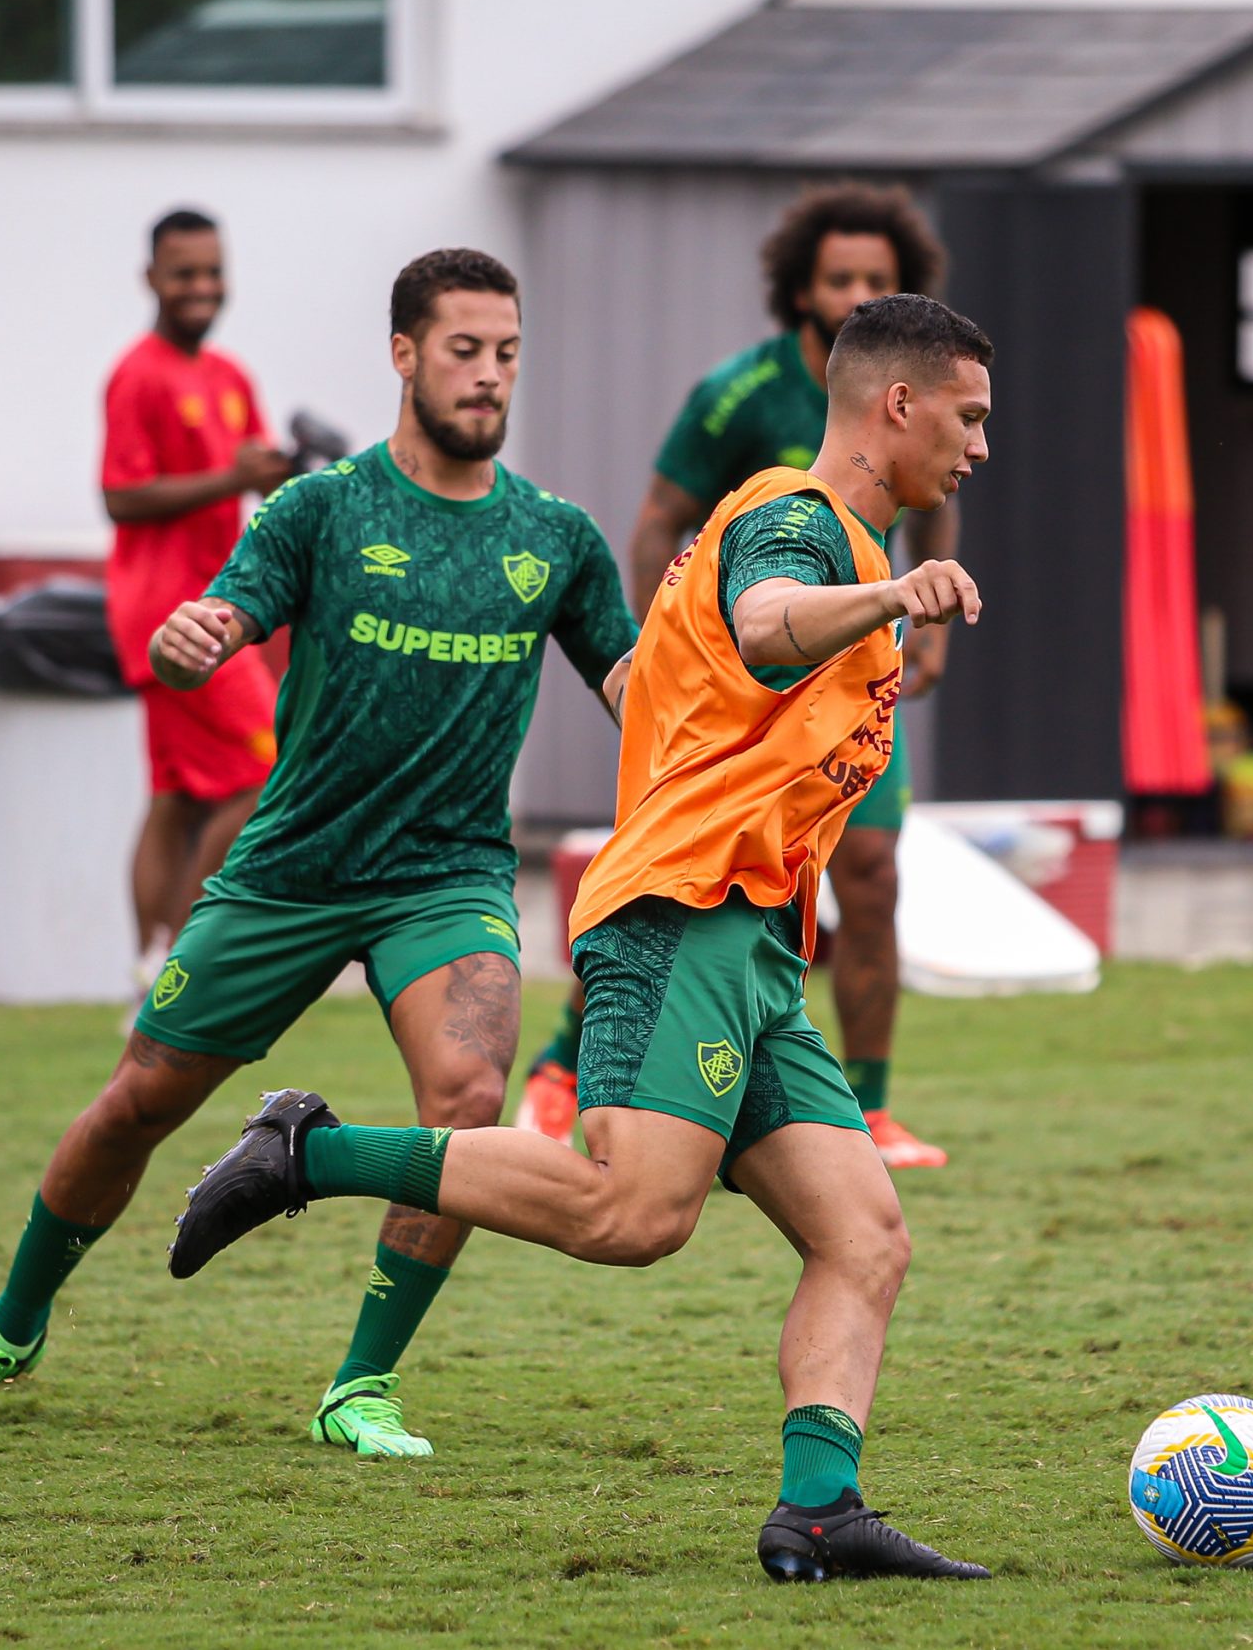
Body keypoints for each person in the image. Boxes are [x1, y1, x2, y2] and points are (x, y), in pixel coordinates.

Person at [170, 294, 993, 1581]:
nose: (979, 447)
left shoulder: (834, 537)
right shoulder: (794, 520)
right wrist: (894, 593)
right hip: (681, 915)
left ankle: (819, 1510)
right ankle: (308, 1153)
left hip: (755, 945)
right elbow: (772, 623)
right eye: (968, 415)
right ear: (898, 404)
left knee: (865, 1233)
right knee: (631, 1212)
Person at [0, 250, 638, 1457]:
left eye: (505, 354)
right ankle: (6, 1329)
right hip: (291, 867)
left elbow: (636, 689)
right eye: (462, 351)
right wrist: (193, 643)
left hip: (446, 877)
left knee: (466, 1098)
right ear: (403, 354)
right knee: (140, 1103)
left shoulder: (555, 537)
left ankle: (361, 1388)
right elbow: (219, 623)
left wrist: (746, 659)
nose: (489, 377)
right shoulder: (323, 507)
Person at [519, 184, 960, 1168]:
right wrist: (658, 666)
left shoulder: (922, 411)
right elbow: (679, 544)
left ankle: (869, 1106)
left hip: (849, 693)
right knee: (691, 870)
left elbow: (932, 518)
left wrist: (923, 631)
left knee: (867, 879)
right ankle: (562, 1061)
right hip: (752, 699)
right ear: (799, 285)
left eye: (876, 281)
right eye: (839, 276)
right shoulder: (750, 414)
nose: (855, 293)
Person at [101, 208, 297, 970]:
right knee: (271, 769)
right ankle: (187, 956)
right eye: (185, 273)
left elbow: (255, 479)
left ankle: (151, 964)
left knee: (176, 793)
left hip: (222, 602)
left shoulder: (230, 376)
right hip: (171, 614)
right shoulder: (137, 374)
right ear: (152, 278)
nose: (202, 287)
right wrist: (232, 478)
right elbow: (119, 495)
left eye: (213, 272)